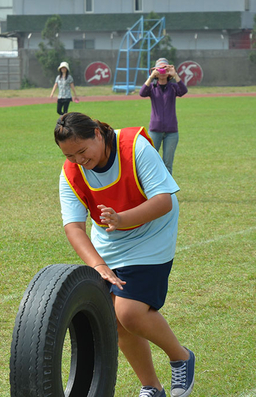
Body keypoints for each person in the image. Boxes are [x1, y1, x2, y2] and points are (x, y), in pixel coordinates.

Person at [55, 112, 195, 397]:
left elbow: (163, 201)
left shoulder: (134, 147)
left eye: (82, 151)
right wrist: (98, 264)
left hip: (151, 236)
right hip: (111, 242)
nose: (79, 161)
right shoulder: (70, 173)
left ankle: (180, 356)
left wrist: (122, 219)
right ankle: (152, 387)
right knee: (116, 322)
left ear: (96, 133)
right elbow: (73, 226)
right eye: (70, 156)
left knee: (129, 312)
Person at [139, 58, 188, 175]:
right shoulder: (152, 87)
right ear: (155, 70)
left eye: (165, 68)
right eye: (160, 69)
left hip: (171, 131)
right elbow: (142, 93)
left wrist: (175, 74)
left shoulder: (173, 87)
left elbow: (183, 90)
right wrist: (151, 77)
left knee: (167, 164)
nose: (162, 71)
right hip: (155, 130)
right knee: (151, 162)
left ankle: (168, 192)